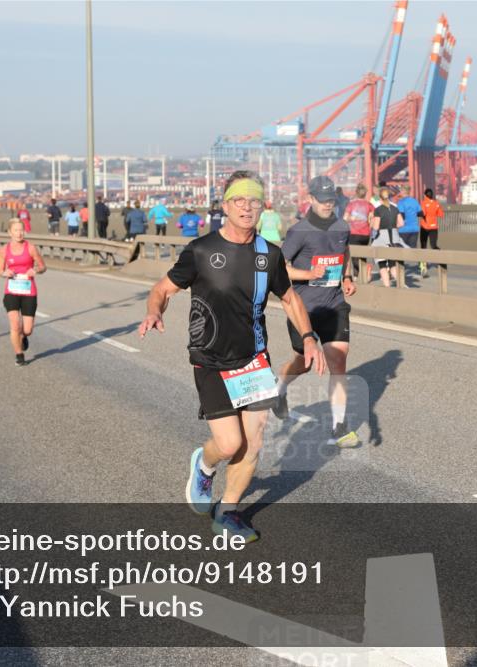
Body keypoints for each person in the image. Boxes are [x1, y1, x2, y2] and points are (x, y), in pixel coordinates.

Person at [139, 170, 325, 542]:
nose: (246, 207)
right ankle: (205, 465)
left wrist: (307, 336)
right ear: (225, 206)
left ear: (261, 207)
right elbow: (162, 288)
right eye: (239, 200)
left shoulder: (268, 255)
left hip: (253, 360)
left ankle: (228, 513)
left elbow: (289, 299)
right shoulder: (202, 250)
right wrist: (154, 309)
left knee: (253, 443)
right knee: (229, 445)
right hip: (210, 359)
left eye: (253, 200)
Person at [274, 175, 359, 447]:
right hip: (304, 310)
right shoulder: (299, 231)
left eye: (331, 200)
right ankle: (280, 389)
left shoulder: (341, 225)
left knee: (338, 360)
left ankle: (339, 427)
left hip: (334, 304)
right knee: (304, 363)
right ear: (310, 199)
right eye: (322, 200)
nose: (327, 204)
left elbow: (344, 251)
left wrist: (347, 277)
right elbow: (280, 268)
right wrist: (309, 273)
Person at [0, 220, 46, 367]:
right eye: (16, 230)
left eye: (21, 230)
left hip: (28, 290)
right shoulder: (3, 250)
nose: (19, 233)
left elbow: (43, 266)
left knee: (27, 329)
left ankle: (23, 337)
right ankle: (19, 355)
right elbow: (0, 271)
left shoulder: (31, 248)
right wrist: (5, 272)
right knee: (14, 324)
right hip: (12, 290)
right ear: (10, 233)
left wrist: (36, 270)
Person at [370, 186, 406, 287]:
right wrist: (394, 226)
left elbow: (376, 227)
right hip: (394, 239)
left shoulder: (378, 210)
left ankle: (387, 287)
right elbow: (402, 223)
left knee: (382, 265)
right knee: (392, 265)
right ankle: (401, 285)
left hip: (382, 239)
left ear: (380, 197)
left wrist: (371, 222)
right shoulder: (395, 208)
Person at [344, 184, 374, 280]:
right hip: (366, 234)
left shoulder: (351, 204)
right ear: (365, 194)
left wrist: (351, 218)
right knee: (363, 255)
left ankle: (357, 275)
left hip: (354, 233)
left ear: (356, 193)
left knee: (354, 255)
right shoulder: (369, 205)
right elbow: (371, 219)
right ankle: (363, 274)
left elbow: (345, 218)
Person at [395, 185, 423, 280]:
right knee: (414, 249)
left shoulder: (401, 202)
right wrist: (412, 213)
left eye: (401, 191)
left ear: (403, 192)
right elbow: (420, 213)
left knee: (400, 250)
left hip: (404, 229)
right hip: (415, 228)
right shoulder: (414, 201)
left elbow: (401, 215)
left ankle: (399, 270)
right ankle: (422, 265)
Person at [419, 188, 444, 277]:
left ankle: (423, 266)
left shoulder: (423, 203)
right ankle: (441, 259)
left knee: (423, 246)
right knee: (433, 245)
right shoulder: (436, 203)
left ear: (425, 195)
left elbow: (423, 213)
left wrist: (417, 214)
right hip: (434, 227)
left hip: (424, 227)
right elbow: (441, 214)